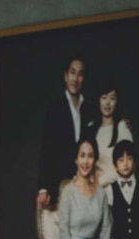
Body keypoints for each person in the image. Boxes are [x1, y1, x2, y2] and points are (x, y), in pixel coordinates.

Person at [36, 55, 94, 209]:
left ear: (84, 78)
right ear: (65, 76)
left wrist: (120, 123)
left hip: (86, 186)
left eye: (80, 74)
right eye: (72, 72)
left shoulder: (90, 109)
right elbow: (46, 151)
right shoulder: (54, 109)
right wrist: (43, 188)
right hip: (60, 186)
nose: (75, 78)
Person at [82, 79, 133, 202]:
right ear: (99, 100)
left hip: (116, 194)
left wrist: (100, 182)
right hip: (92, 194)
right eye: (104, 98)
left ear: (117, 101)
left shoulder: (122, 128)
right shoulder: (91, 128)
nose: (107, 103)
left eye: (112, 98)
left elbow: (128, 166)